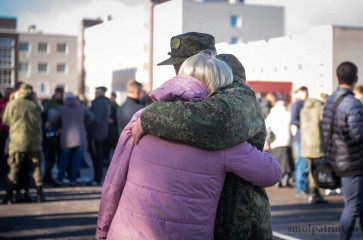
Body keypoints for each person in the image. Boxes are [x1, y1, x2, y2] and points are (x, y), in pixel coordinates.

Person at [96, 51, 281, 239]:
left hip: (126, 233)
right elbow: (272, 174)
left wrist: (102, 231)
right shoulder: (221, 138)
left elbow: (114, 183)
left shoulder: (141, 117)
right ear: (221, 86)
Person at [131, 32, 270, 239]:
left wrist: (152, 115)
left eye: (181, 64)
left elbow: (215, 124)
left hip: (235, 217)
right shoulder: (203, 93)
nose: (177, 71)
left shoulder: (236, 91)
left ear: (205, 62)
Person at [322, 62, 363, 240]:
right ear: (355, 78)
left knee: (357, 205)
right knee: (352, 207)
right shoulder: (353, 104)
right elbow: (357, 134)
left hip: (336, 158)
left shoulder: (330, 100)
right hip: (352, 162)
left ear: (337, 77)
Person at [2, 83, 45, 203]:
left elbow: (6, 120)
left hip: (17, 142)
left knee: (14, 168)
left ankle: (9, 196)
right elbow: (40, 122)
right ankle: (40, 194)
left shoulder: (13, 104)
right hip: (34, 142)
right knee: (36, 168)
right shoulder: (35, 105)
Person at [51, 92, 94, 186]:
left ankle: (60, 179)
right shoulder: (81, 107)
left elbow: (53, 120)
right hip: (80, 138)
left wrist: (58, 127)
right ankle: (73, 180)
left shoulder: (62, 108)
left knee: (63, 160)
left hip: (67, 139)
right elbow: (91, 117)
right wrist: (83, 124)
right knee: (76, 161)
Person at [300, 92, 329, 204]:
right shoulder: (320, 109)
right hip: (317, 144)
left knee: (310, 169)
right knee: (317, 169)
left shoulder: (304, 109)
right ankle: (314, 192)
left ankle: (312, 191)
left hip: (306, 144)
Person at [265, 93, 294, 188]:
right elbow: (293, 128)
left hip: (275, 142)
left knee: (276, 162)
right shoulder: (288, 113)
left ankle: (277, 180)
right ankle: (285, 179)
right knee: (287, 163)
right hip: (286, 141)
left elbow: (266, 125)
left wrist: (266, 140)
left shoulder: (273, 112)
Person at [88, 86, 111, 186]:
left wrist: (88, 127)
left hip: (95, 133)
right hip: (102, 132)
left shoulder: (98, 103)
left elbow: (95, 119)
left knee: (97, 157)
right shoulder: (106, 102)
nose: (95, 93)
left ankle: (97, 178)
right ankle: (98, 177)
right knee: (99, 156)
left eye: (96, 91)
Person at [42, 86, 64, 184]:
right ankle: (47, 176)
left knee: (60, 157)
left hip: (61, 134)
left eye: (62, 93)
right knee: (50, 157)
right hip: (50, 134)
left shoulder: (64, 104)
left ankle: (59, 177)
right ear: (55, 93)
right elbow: (44, 116)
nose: (60, 95)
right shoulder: (48, 104)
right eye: (59, 93)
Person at [291, 86, 309, 198]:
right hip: (300, 138)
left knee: (304, 163)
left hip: (306, 138)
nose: (305, 94)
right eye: (303, 92)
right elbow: (293, 120)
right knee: (301, 163)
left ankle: (303, 187)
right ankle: (300, 188)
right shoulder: (297, 105)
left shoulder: (305, 104)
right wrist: (306, 124)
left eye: (306, 92)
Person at [104, 92, 118, 166]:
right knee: (107, 147)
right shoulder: (109, 106)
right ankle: (106, 160)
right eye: (112, 97)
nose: (112, 98)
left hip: (113, 131)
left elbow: (116, 119)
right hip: (109, 130)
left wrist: (113, 120)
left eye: (113, 97)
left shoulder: (116, 106)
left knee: (113, 148)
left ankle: (112, 162)